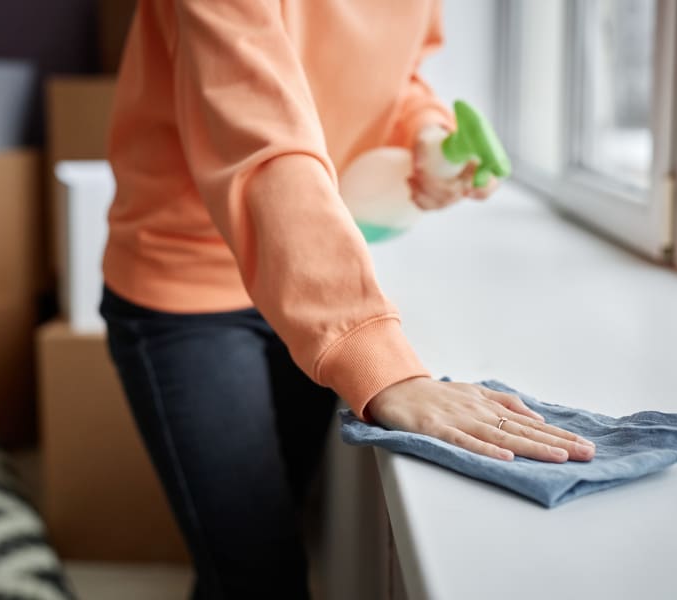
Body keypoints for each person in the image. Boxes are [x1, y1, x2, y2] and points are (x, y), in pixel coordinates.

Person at [99, 1, 596, 598]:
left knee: (260, 550)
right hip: (187, 287)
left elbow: (393, 75)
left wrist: (424, 133)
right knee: (258, 577)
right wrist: (379, 361)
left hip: (305, 278)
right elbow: (264, 144)